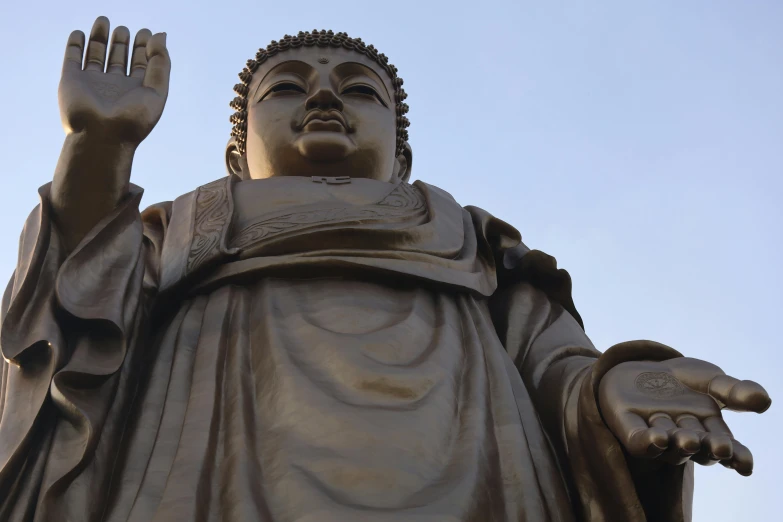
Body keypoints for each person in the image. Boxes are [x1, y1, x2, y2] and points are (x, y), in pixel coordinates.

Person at [0, 16, 771, 522]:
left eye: (358, 90)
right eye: (289, 88)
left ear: (400, 155)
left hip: (476, 472)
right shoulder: (185, 223)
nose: (326, 95)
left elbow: (552, 362)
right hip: (211, 467)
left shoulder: (470, 233)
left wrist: (609, 387)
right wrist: (96, 151)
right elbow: (69, 324)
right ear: (238, 152)